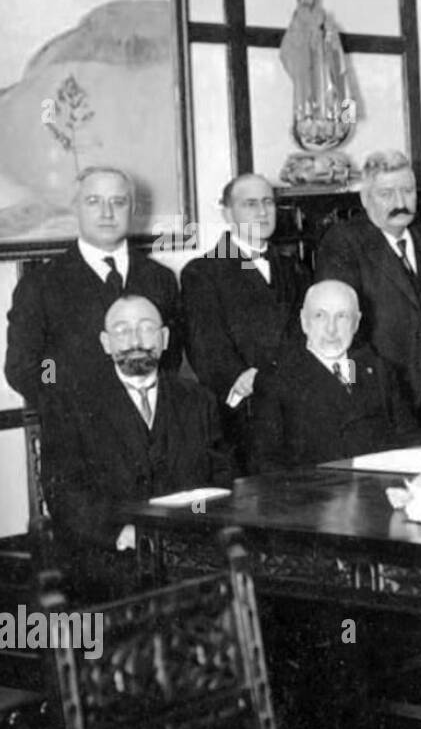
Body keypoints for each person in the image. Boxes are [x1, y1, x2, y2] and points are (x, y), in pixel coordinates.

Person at [41, 295, 229, 595]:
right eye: (122, 330)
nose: (135, 340)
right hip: (108, 562)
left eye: (146, 328)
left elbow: (221, 479)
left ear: (165, 338)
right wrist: (119, 533)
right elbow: (63, 492)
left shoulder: (198, 400)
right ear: (105, 342)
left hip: (192, 561)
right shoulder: (71, 405)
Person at [315, 150, 421, 442]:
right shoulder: (344, 241)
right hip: (383, 402)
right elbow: (341, 329)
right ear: (365, 199)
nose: (400, 203)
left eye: (408, 191)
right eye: (387, 194)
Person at [5, 166, 183, 405]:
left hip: (148, 427)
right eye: (93, 202)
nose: (107, 213)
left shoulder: (160, 279)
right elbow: (28, 366)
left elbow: (170, 357)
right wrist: (60, 394)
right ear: (75, 207)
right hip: (73, 427)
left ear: (133, 209)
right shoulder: (40, 284)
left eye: (118, 202)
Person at [181, 173, 310, 472]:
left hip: (297, 409)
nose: (263, 212)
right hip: (243, 417)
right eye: (250, 204)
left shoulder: (295, 269)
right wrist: (249, 381)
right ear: (228, 213)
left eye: (268, 202)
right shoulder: (203, 272)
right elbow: (207, 348)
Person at [251, 280, 421, 472]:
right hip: (314, 496)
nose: (331, 329)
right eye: (320, 316)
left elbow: (411, 441)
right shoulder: (276, 380)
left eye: (342, 316)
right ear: (303, 321)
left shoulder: (378, 369)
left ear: (357, 322)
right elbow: (266, 466)